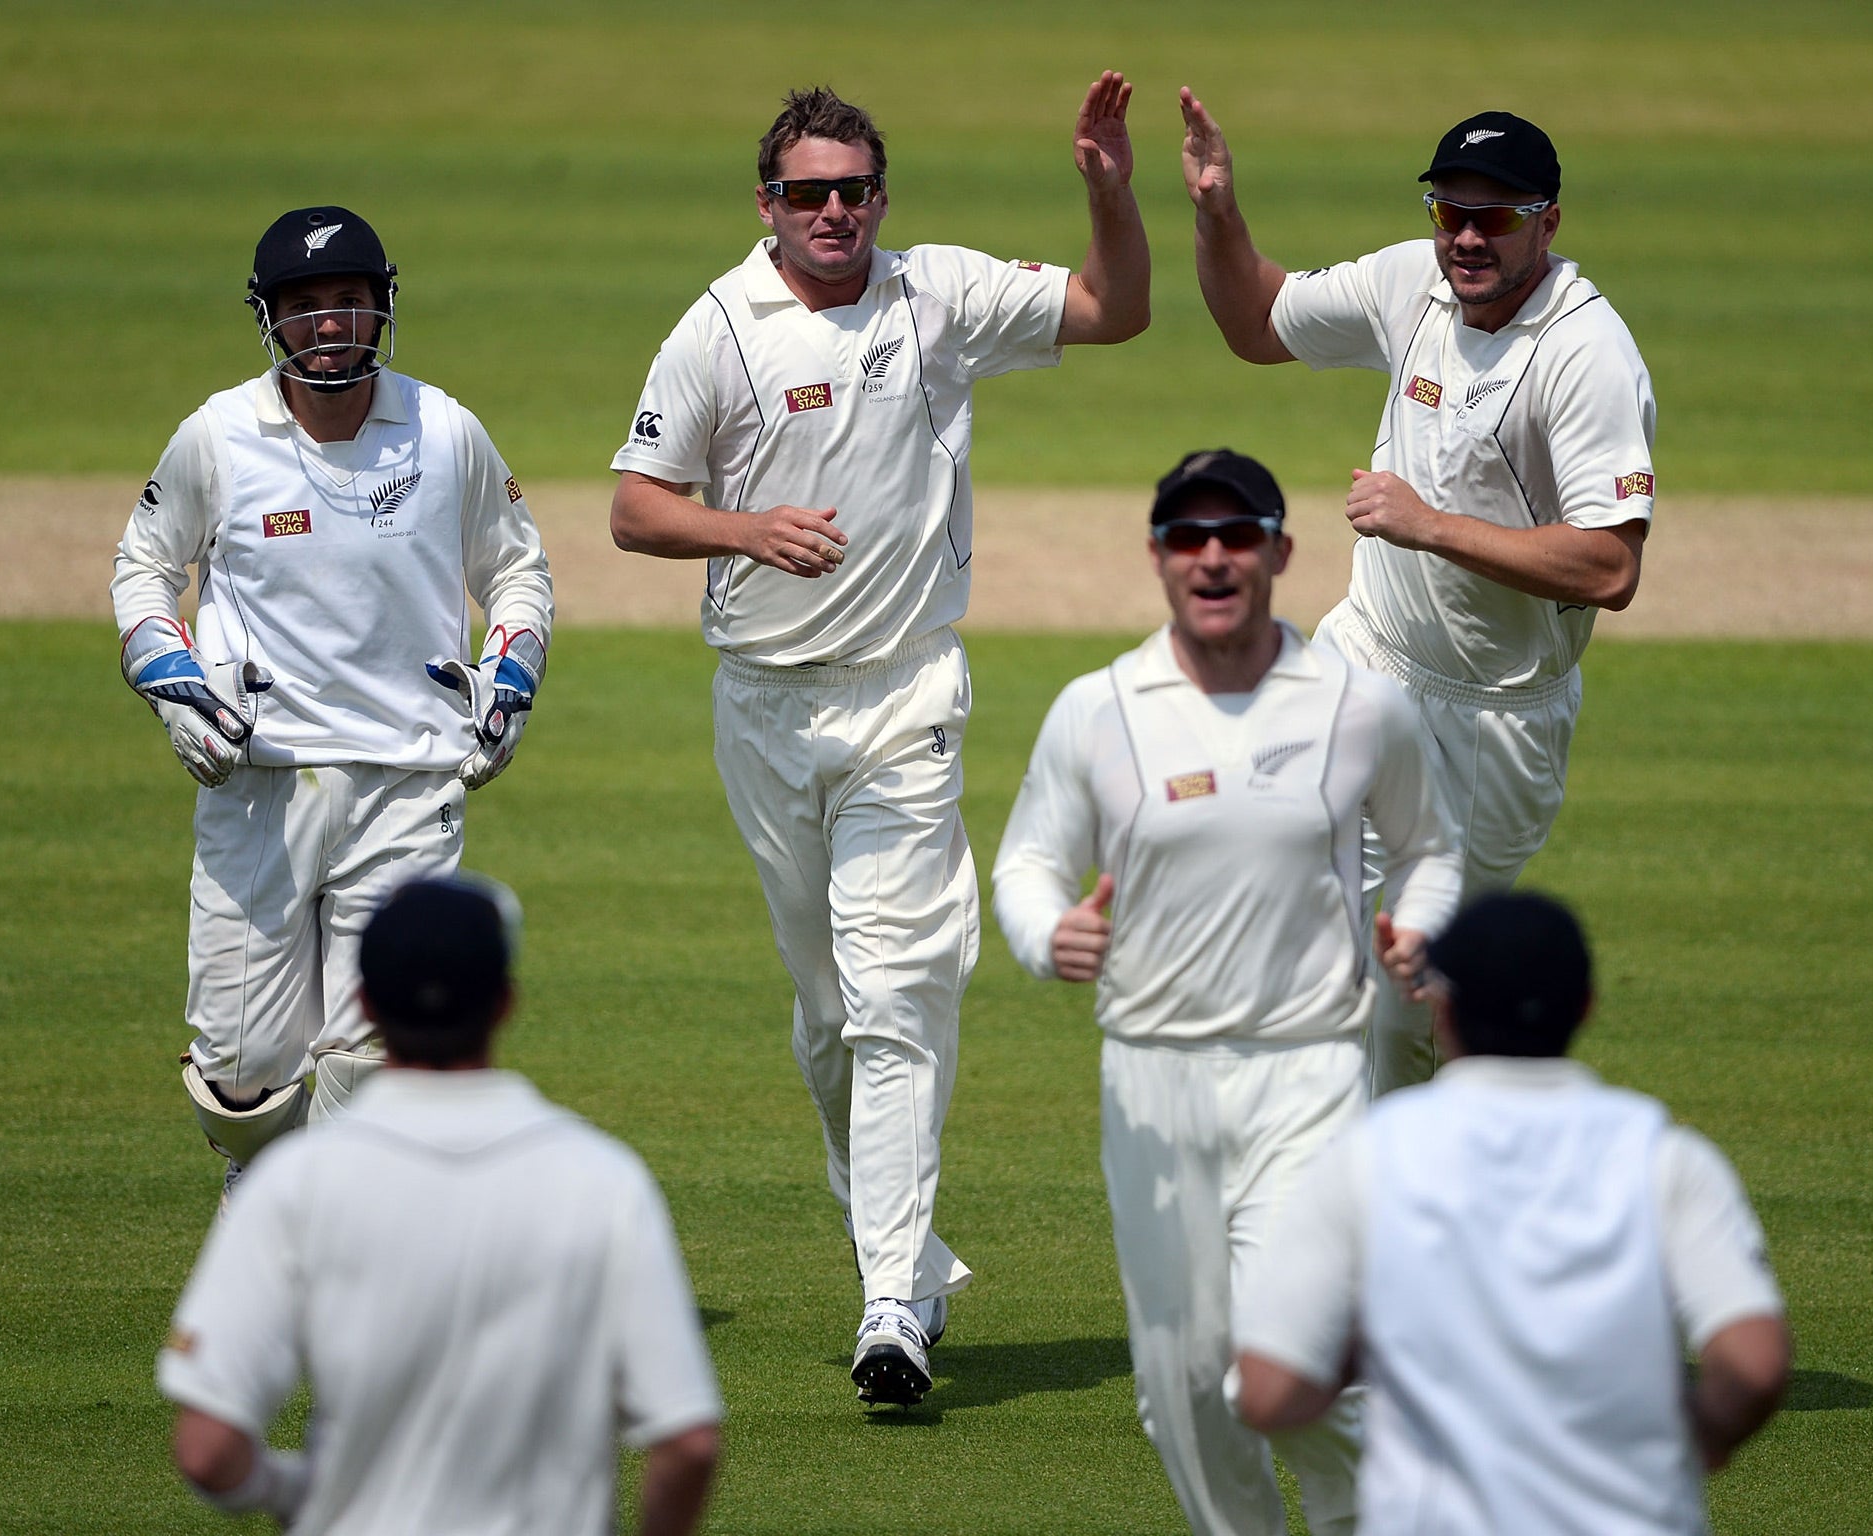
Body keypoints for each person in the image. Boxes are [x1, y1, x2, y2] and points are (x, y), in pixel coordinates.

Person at [607, 78, 1150, 1405]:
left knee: (901, 991)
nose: (834, 211)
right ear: (768, 205)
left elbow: (1115, 309)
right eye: (809, 192)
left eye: (854, 189)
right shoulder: (719, 328)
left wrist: (1106, 188)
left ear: (881, 199)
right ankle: (905, 1252)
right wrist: (746, 531)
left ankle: (891, 1305)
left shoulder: (939, 297)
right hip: (766, 704)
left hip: (906, 696)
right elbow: (633, 506)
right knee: (833, 1011)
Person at [991, 449, 1461, 1536]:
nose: (1212, 558)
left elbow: (1431, 850)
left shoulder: (1356, 707)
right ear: (1156, 559)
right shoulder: (1098, 709)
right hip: (1151, 1083)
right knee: (1184, 1394)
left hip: (1308, 1072)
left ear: (1279, 554)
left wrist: (1418, 932)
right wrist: (1042, 933)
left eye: (1236, 535)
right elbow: (1023, 863)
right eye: (1186, 538)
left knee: (1286, 1371)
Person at [1178, 97, 1657, 1096]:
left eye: (1497, 217)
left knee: (1406, 992)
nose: (1468, 237)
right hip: (1373, 657)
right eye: (1450, 212)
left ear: (1548, 222)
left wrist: (1425, 522)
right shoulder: (1412, 280)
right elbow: (1253, 321)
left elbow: (1609, 568)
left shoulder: (1585, 354)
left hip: (1495, 718)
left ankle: (1411, 1190)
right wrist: (1217, 213)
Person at [111, 207, 553, 1193]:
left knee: (368, 1063)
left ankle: (339, 1263)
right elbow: (143, 567)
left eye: (346, 304)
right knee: (241, 1077)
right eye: (303, 307)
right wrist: (171, 679)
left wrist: (510, 673)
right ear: (268, 319)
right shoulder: (219, 435)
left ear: (380, 308)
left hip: (406, 782)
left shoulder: (445, 431)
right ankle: (265, 1186)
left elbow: (518, 571)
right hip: (257, 784)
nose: (326, 325)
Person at [157, 877, 723, 1536]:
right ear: (506, 1003)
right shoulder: (602, 1180)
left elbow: (207, 1448)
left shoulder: (296, 1182)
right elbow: (688, 1444)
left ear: (366, 1002)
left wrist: (297, 1491)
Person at [1234, 890, 1790, 1536]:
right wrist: (1701, 1435)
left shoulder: (1369, 1157)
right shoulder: (1666, 1158)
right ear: (1585, 1007)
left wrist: (1367, 1355)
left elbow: (1268, 1390)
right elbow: (1755, 1365)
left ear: (1443, 1010)